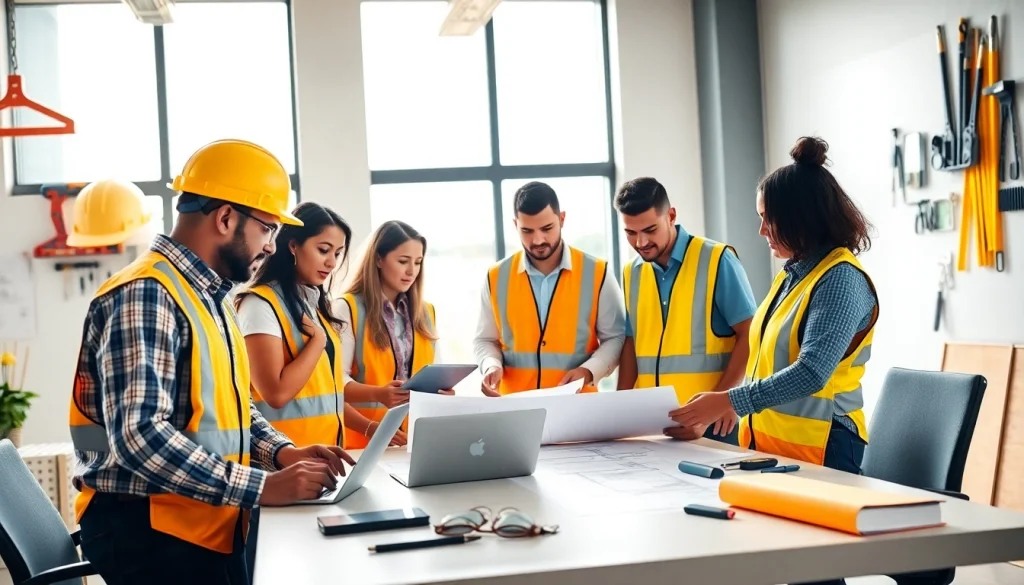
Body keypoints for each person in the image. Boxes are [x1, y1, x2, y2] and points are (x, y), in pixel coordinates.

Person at [68, 139, 354, 585]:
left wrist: (281, 452)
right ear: (225, 218)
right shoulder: (148, 294)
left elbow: (233, 406)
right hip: (150, 531)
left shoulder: (211, 296)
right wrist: (262, 486)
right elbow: (141, 437)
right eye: (267, 229)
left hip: (199, 518)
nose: (271, 245)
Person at [671, 136, 877, 492]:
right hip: (777, 450)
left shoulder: (840, 279)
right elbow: (768, 358)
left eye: (769, 218)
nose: (761, 230)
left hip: (825, 450)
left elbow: (812, 372)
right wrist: (734, 409)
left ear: (802, 218)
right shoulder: (794, 273)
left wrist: (728, 399)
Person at [613, 177, 757, 445]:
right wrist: (620, 411)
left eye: (650, 230)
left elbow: (750, 333)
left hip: (714, 426)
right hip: (652, 428)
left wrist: (720, 406)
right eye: (630, 233)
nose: (641, 242)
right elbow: (631, 343)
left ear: (671, 215)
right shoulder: (631, 272)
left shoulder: (717, 259)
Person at [236, 202, 388, 449]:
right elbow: (275, 394)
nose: (331, 262)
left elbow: (326, 398)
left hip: (325, 459)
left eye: (337, 254)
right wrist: (317, 343)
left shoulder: (315, 307)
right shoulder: (259, 304)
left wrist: (372, 429)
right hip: (284, 462)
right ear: (293, 245)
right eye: (324, 250)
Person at [474, 181, 626, 396]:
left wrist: (589, 371)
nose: (538, 240)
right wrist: (491, 365)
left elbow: (616, 337)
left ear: (562, 219)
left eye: (547, 228)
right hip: (515, 408)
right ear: (515, 224)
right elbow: (484, 339)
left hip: (578, 408)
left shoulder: (598, 273)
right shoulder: (496, 277)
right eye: (527, 230)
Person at [334, 220, 451, 450]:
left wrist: (442, 393)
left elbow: (435, 372)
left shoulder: (427, 312)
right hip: (362, 445)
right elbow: (334, 383)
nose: (412, 271)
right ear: (378, 259)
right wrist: (378, 394)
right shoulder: (346, 308)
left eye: (418, 263)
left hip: (415, 440)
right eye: (403, 261)